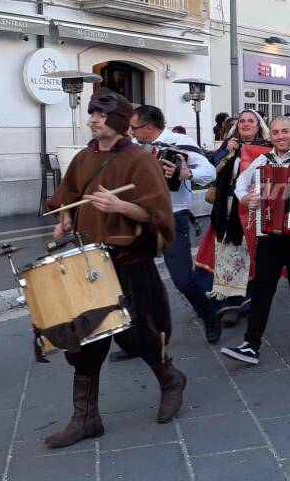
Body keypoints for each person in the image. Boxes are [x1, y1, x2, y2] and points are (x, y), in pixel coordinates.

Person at [43, 89, 184, 448]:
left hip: (127, 263)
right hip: (89, 263)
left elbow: (157, 215)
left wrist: (121, 205)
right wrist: (64, 220)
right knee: (85, 340)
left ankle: (170, 380)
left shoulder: (140, 160)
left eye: (100, 115)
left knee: (139, 336)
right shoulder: (83, 158)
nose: (92, 119)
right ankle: (86, 418)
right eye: (91, 113)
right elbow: (68, 197)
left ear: (118, 121)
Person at [220, 117, 290, 365]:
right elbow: (240, 182)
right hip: (269, 230)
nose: (280, 136)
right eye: (275, 132)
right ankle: (251, 343)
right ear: (270, 134)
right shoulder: (263, 161)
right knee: (263, 286)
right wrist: (245, 199)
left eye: (285, 131)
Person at [128, 105, 220, 345]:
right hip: (139, 217)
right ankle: (142, 336)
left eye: (134, 127)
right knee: (136, 280)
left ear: (149, 128)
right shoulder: (133, 148)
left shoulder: (179, 142)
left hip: (172, 216)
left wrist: (186, 174)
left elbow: (209, 172)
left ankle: (209, 315)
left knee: (182, 279)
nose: (131, 132)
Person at [194, 110, 271, 326]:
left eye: (251, 121)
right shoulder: (228, 145)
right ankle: (229, 302)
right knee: (229, 255)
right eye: (242, 121)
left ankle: (247, 302)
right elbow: (214, 170)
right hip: (227, 209)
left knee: (251, 256)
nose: (246, 125)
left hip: (253, 208)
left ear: (258, 126)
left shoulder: (266, 147)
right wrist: (227, 153)